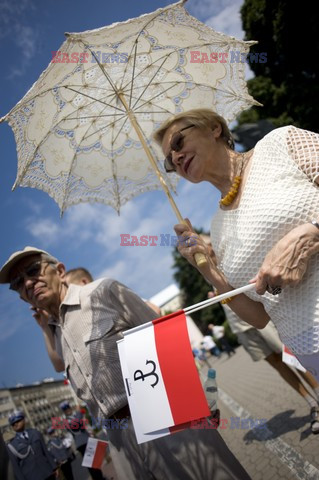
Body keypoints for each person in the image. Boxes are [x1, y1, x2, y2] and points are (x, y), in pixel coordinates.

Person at [0, 246, 252, 480]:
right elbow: (57, 365)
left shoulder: (102, 292)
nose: (28, 283)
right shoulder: (55, 332)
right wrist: (45, 328)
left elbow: (162, 339)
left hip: (162, 419)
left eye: (33, 270)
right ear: (22, 298)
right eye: (18, 283)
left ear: (60, 271)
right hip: (119, 441)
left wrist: (197, 406)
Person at [155, 108, 319, 379]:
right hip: (310, 352)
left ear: (213, 128)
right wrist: (209, 272)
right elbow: (259, 316)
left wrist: (310, 234)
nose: (175, 157)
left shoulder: (280, 143)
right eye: (169, 161)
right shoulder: (217, 230)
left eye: (178, 143)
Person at [58, 401, 105, 480]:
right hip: (82, 444)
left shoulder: (75, 416)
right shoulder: (66, 421)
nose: (68, 410)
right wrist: (78, 411)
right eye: (66, 410)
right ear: (64, 412)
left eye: (68, 408)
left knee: (96, 462)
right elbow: (76, 424)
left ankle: (101, 478)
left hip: (87, 440)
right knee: (91, 465)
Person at [6, 410, 57, 480]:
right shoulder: (11, 446)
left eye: (18, 421)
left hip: (47, 472)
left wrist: (54, 467)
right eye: (13, 423)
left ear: (24, 420)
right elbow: (16, 468)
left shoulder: (35, 433)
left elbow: (46, 451)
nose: (15, 424)